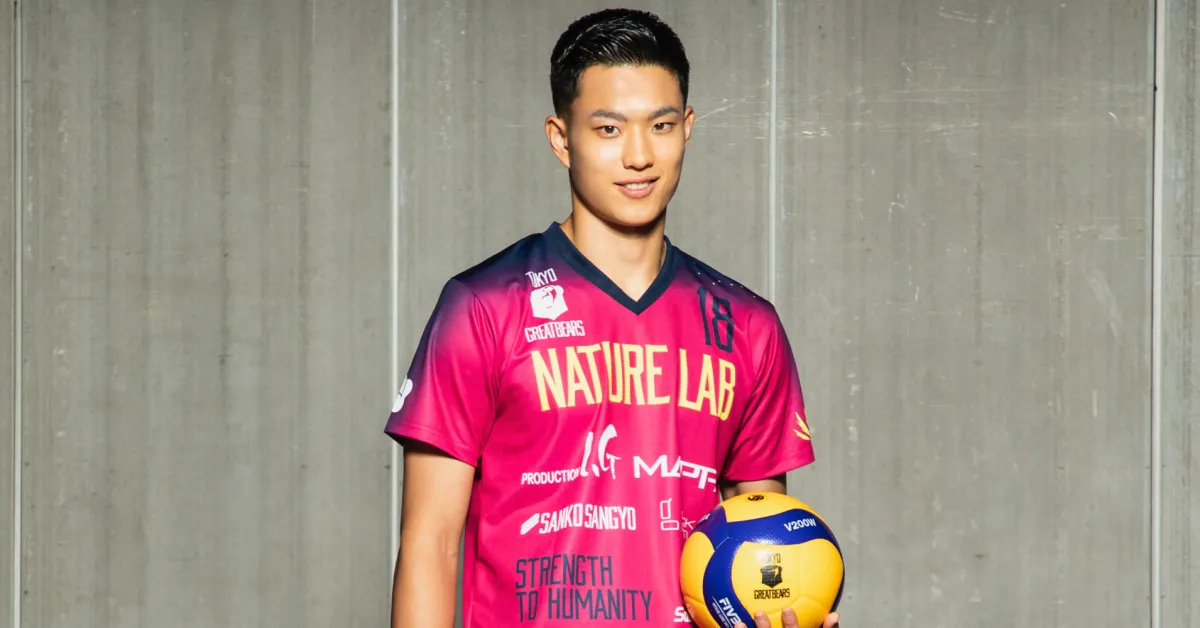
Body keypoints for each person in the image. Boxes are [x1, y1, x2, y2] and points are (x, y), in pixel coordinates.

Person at [386, 8, 840, 628]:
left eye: (661, 125)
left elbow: (765, 538)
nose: (639, 155)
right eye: (608, 129)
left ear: (687, 129)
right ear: (560, 139)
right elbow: (430, 544)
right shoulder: (484, 307)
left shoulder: (748, 325)